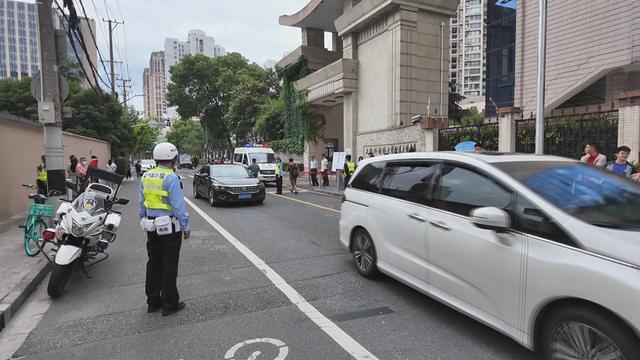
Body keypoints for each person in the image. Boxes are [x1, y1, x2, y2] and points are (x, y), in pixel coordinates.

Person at [139, 142, 190, 317]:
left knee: (153, 262)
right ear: (173, 158)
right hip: (169, 227)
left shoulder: (146, 176)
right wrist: (186, 226)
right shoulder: (171, 177)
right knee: (169, 265)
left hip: (151, 226)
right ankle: (170, 304)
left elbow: (142, 203)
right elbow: (178, 206)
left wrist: (143, 218)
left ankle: (153, 301)